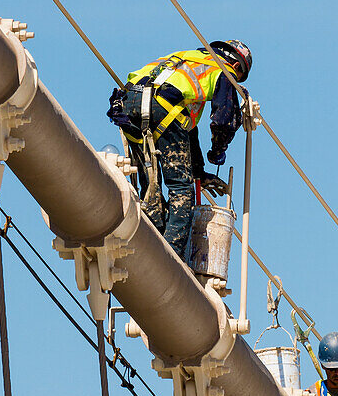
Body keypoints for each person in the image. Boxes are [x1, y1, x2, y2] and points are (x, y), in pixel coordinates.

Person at [107, 40, 252, 258]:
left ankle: (149, 238)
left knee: (149, 182)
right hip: (163, 108)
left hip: (129, 104)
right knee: (181, 189)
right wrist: (217, 151)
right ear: (237, 66)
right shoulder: (224, 71)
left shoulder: (188, 58)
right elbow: (224, 119)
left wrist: (199, 171)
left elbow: (186, 128)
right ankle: (170, 258)